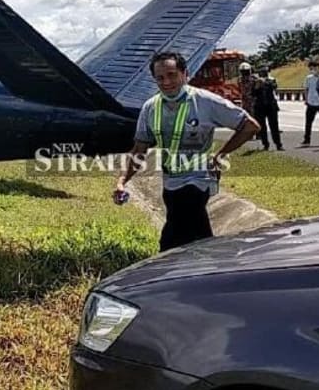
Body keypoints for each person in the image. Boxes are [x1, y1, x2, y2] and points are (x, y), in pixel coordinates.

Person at [114, 52, 260, 251]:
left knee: (173, 236)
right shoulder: (151, 107)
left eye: (172, 75)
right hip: (170, 182)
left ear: (185, 74)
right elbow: (140, 148)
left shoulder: (205, 101)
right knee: (196, 235)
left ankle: (169, 263)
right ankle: (215, 261)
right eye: (160, 78)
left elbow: (250, 126)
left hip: (198, 180)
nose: (167, 82)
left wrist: (220, 155)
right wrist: (122, 181)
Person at [252, 65, 283, 151]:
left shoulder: (271, 80)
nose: (263, 73)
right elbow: (253, 93)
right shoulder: (256, 81)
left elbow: (274, 86)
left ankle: (278, 144)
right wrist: (257, 86)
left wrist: (265, 82)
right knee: (262, 126)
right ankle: (265, 144)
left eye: (265, 72)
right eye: (262, 72)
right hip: (260, 106)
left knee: (274, 125)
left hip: (271, 105)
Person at [301, 60, 319, 146]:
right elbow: (306, 89)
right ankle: (307, 140)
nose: (312, 70)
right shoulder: (309, 78)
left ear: (318, 67)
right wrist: (306, 100)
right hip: (311, 102)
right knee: (308, 122)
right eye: (311, 69)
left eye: (314, 68)